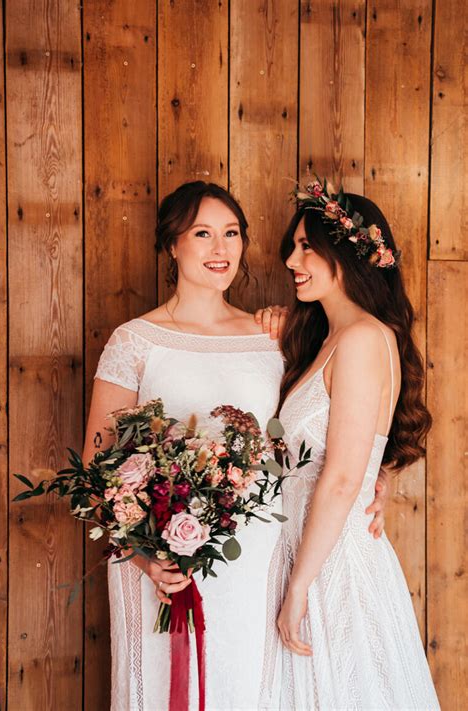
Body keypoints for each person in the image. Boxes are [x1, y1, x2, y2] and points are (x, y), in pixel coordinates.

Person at [83, 181, 388, 710]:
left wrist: (377, 478)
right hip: (161, 565)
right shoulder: (134, 340)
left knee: (243, 686)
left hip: (253, 559)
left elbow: (330, 423)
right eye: (203, 233)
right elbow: (94, 469)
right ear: (172, 244)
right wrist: (146, 560)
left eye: (232, 234)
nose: (220, 249)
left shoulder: (276, 335)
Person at [268, 180, 440, 709]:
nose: (292, 259)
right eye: (293, 246)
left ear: (346, 254)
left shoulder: (364, 338)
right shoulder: (329, 339)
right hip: (311, 549)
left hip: (333, 561)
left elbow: (343, 478)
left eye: (306, 247)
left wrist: (299, 586)